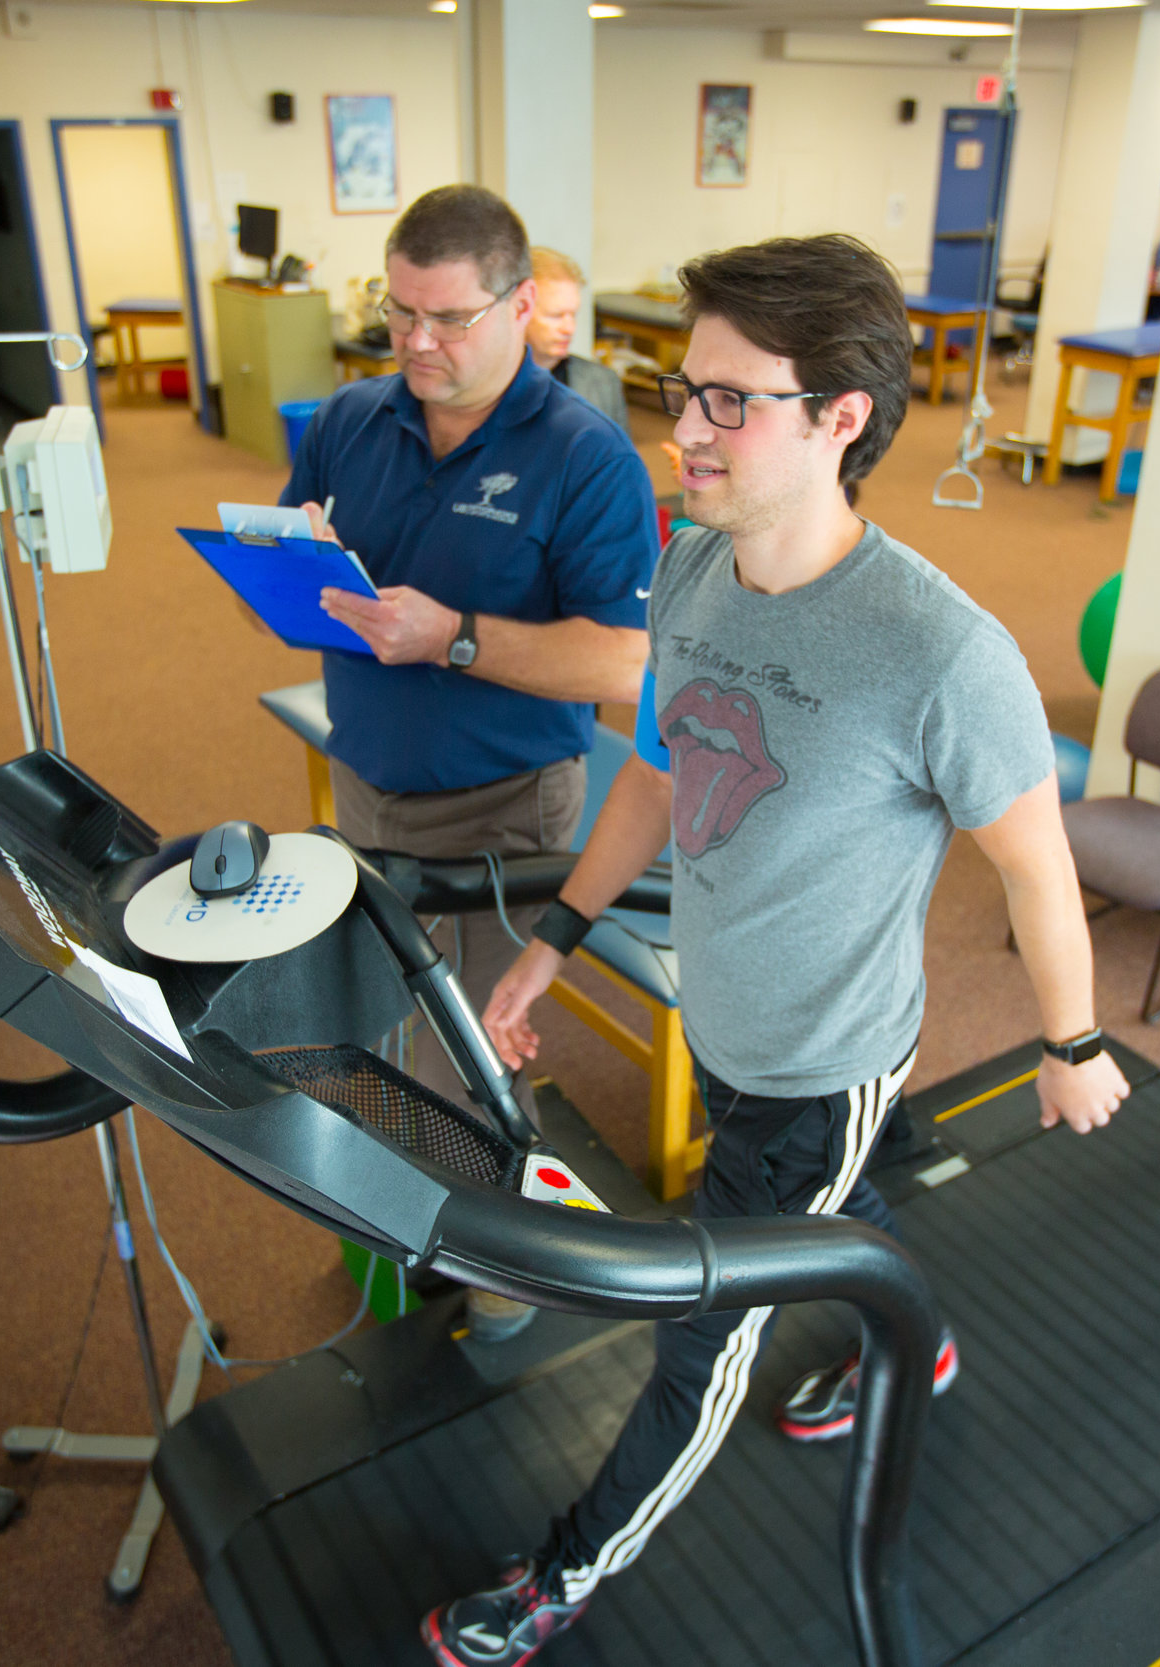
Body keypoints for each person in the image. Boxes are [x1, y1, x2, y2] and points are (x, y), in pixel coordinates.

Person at [419, 234, 1130, 1667]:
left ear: (841, 418)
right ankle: (909, 1333)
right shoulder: (692, 572)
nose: (683, 431)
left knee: (706, 1338)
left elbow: (1039, 868)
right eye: (685, 392)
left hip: (821, 1055)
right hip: (719, 1009)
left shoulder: (941, 652)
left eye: (732, 401)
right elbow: (657, 772)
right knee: (846, 1207)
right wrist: (557, 937)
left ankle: (563, 1575)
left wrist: (1072, 1043)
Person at [284, 186, 657, 1342]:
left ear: (521, 306)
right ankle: (410, 1220)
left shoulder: (585, 458)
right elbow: (304, 541)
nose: (418, 345)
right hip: (370, 779)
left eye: (446, 319)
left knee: (475, 1060)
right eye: (398, 314)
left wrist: (453, 635)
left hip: (502, 804)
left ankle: (506, 1279)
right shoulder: (352, 416)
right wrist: (281, 583)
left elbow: (625, 661)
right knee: (380, 1026)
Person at [524, 245, 630, 432]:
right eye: (555, 316)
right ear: (521, 311)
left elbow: (620, 459)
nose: (569, 328)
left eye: (573, 315)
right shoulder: (483, 385)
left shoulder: (604, 381)